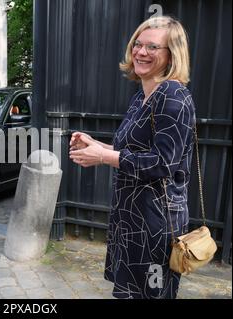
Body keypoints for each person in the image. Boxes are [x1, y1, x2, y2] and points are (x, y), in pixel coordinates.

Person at [69, 16, 196, 299]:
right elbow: (134, 151)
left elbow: (162, 164)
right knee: (130, 293)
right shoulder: (142, 95)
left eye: (152, 47)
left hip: (155, 225)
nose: (140, 52)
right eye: (138, 44)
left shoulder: (173, 95)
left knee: (151, 294)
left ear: (172, 55)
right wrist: (95, 144)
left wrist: (102, 156)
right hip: (131, 218)